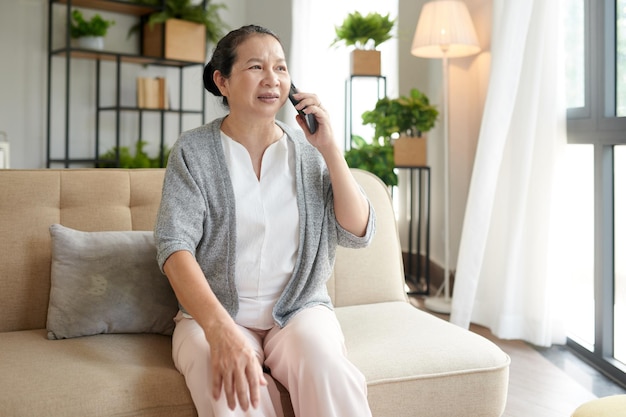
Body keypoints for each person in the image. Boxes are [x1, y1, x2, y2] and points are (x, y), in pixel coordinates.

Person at [154, 24, 375, 417]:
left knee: (328, 371)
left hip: (299, 312)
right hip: (215, 316)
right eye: (256, 67)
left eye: (281, 68)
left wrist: (329, 149)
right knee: (230, 390)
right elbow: (174, 247)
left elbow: (356, 232)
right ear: (222, 81)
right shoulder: (193, 151)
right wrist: (220, 330)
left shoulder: (307, 153)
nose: (272, 79)